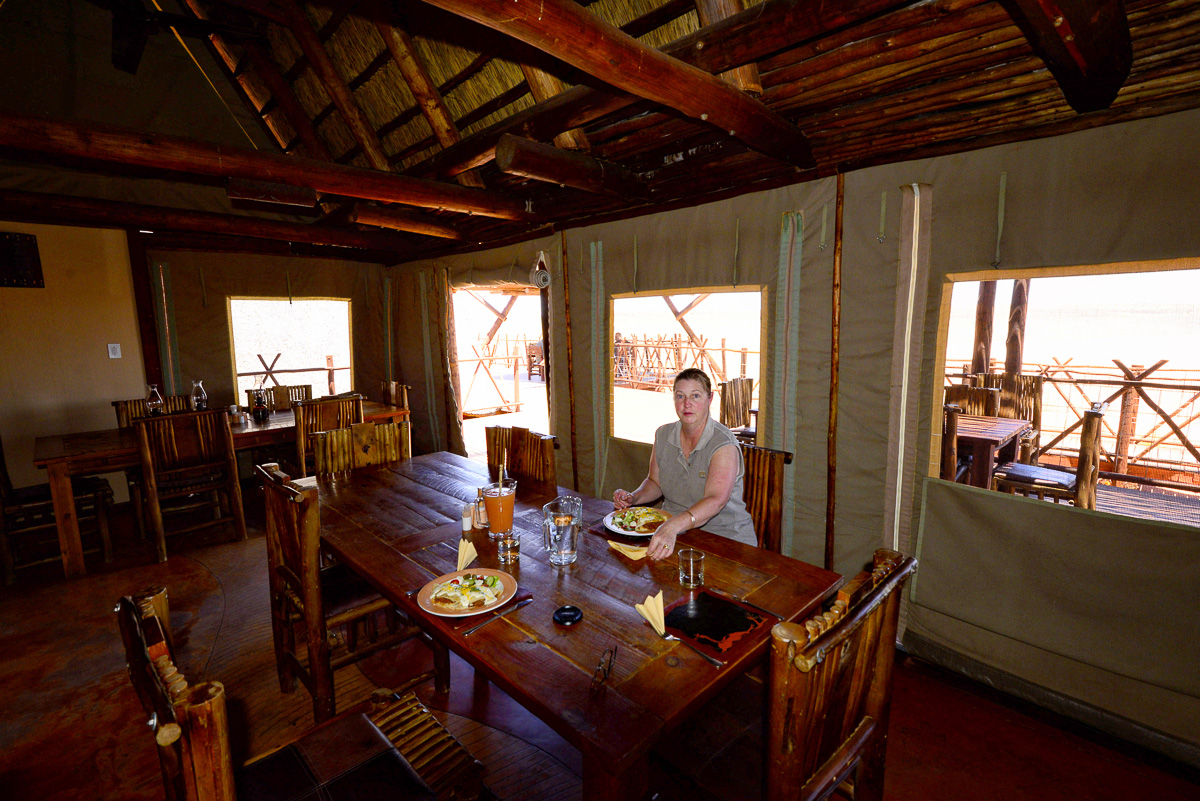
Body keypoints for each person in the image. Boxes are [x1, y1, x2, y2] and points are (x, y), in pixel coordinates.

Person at [613, 368, 756, 560]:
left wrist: (672, 525)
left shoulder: (723, 444)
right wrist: (634, 498)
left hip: (725, 539)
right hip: (675, 535)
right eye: (680, 396)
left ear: (710, 399)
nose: (687, 404)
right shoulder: (663, 435)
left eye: (695, 396)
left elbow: (716, 500)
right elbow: (655, 482)